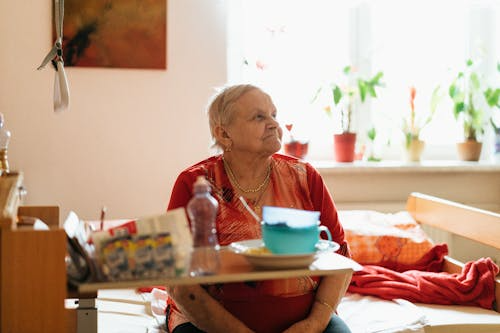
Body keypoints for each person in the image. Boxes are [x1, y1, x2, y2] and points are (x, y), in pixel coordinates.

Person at [166, 84, 352, 333]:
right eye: (259, 117)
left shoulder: (305, 177)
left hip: (306, 320)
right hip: (208, 323)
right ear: (224, 134)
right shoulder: (194, 184)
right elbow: (177, 280)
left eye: (274, 114)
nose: (274, 124)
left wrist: (314, 324)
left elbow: (340, 257)